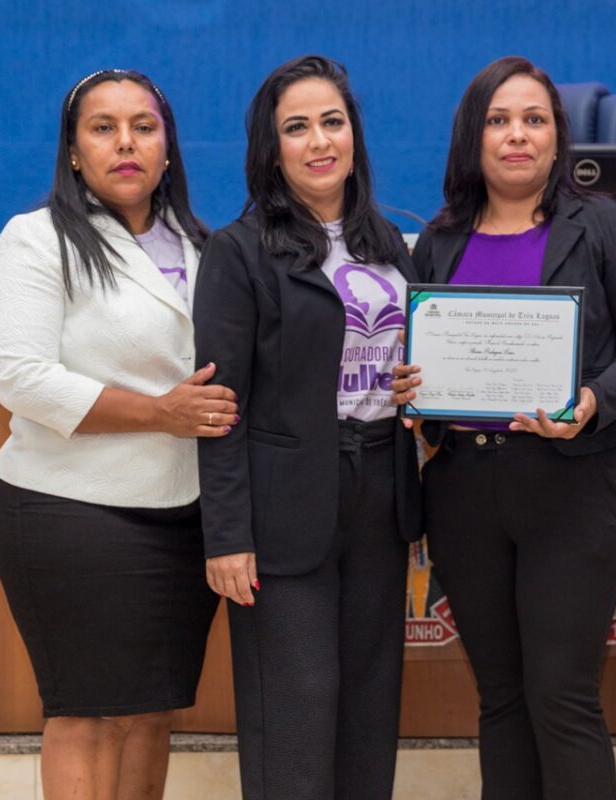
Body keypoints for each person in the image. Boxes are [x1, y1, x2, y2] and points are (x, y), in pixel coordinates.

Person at [391, 56, 616, 800]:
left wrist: (590, 400)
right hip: (464, 493)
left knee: (562, 697)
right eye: (499, 120)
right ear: (473, 137)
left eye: (534, 120)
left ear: (558, 139)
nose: (516, 135)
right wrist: (414, 391)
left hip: (574, 489)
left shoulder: (605, 226)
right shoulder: (440, 242)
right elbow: (427, 365)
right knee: (502, 698)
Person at [0, 69, 229, 800]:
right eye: (103, 128)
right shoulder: (35, 239)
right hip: (72, 511)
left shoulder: (206, 245)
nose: (126, 143)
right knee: (88, 715)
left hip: (185, 515)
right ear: (73, 152)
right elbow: (21, 378)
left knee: (151, 714)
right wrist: (161, 412)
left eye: (144, 127)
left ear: (169, 149)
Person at [193, 54, 422, 800]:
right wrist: (227, 533)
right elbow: (217, 405)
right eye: (298, 127)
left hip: (380, 494)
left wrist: (415, 386)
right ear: (272, 148)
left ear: (354, 135)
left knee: (368, 708)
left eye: (333, 121)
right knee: (295, 711)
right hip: (283, 507)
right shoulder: (239, 252)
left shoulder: (389, 245)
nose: (320, 141)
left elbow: (392, 363)